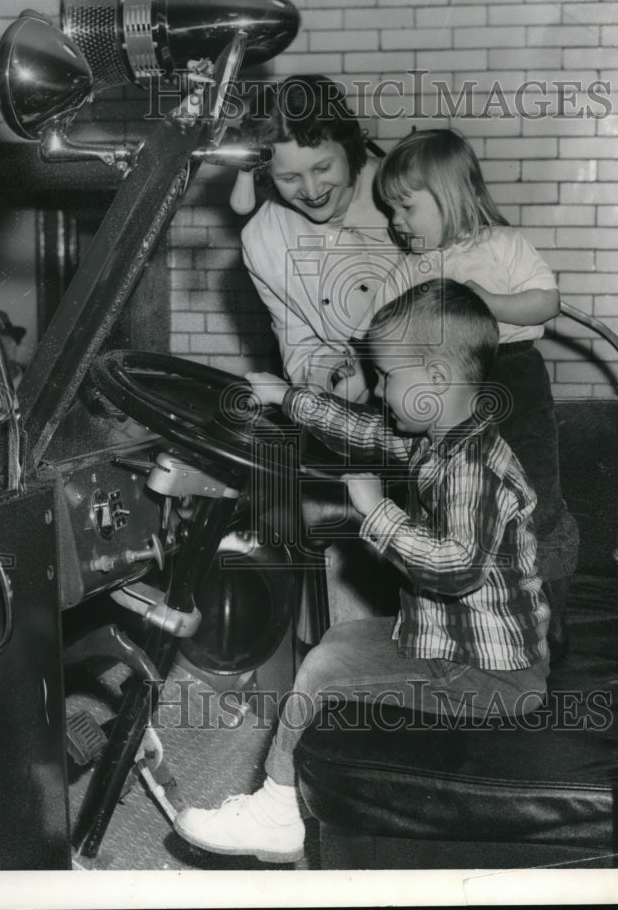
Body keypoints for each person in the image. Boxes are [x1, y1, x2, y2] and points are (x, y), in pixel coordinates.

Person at [173, 279, 550, 863]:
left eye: (387, 376)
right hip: (454, 645)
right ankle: (287, 795)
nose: (377, 390)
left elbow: (458, 568)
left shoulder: (472, 469)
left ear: (437, 378)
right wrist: (288, 398)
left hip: (490, 677)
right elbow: (369, 430)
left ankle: (276, 817)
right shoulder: (443, 438)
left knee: (323, 669)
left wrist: (376, 511)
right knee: (342, 638)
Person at [376, 128, 579, 659]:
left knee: (537, 499)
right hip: (446, 395)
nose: (395, 221)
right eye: (391, 209)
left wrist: (490, 302)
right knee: (450, 503)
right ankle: (458, 617)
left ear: (452, 196)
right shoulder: (407, 269)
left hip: (514, 377)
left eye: (406, 207)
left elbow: (547, 303)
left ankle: (549, 615)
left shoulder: (503, 245)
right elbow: (381, 335)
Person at [238, 74, 399, 401]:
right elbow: (299, 342)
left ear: (349, 147)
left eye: (323, 168)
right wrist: (330, 374)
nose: (311, 192)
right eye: (289, 178)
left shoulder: (409, 196)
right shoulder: (263, 239)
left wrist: (373, 371)